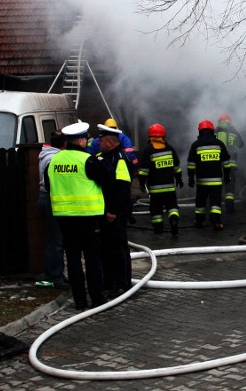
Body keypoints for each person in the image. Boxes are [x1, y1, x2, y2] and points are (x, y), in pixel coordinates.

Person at [46, 120, 109, 309]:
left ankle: (80, 301)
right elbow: (105, 180)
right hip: (87, 216)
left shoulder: (54, 160)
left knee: (72, 259)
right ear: (81, 141)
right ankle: (97, 298)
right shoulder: (88, 160)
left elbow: (49, 186)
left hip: (64, 217)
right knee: (92, 259)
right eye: (86, 140)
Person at [96, 122, 134, 298]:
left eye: (101, 140)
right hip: (107, 211)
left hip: (115, 212)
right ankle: (109, 281)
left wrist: (113, 210)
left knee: (118, 248)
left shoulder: (119, 158)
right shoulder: (106, 156)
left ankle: (123, 283)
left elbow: (122, 188)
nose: (98, 143)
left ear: (110, 142)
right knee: (108, 247)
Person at [137, 123, 183, 237]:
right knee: (172, 207)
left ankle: (158, 228)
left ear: (150, 137)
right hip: (169, 187)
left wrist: (142, 183)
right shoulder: (170, 149)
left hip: (155, 189)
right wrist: (179, 179)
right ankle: (174, 221)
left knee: (156, 210)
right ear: (163, 136)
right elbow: (176, 167)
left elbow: (143, 171)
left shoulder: (148, 150)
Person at [36, 130, 68, 288]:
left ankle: (57, 273)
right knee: (56, 240)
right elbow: (53, 183)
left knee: (56, 239)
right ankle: (54, 276)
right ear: (65, 144)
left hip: (46, 198)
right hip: (50, 198)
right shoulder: (55, 158)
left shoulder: (46, 154)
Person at [187, 119, 232, 231]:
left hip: (201, 181)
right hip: (216, 181)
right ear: (212, 131)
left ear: (200, 131)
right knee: (216, 202)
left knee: (200, 202)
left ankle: (199, 221)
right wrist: (227, 176)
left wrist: (191, 178)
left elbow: (191, 164)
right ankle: (216, 221)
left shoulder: (196, 145)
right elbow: (226, 162)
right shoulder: (219, 144)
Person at [216, 113, 244, 213]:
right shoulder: (233, 131)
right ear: (229, 121)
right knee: (230, 187)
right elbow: (241, 144)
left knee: (217, 185)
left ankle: (215, 207)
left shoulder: (215, 131)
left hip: (218, 164)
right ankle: (229, 207)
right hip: (231, 165)